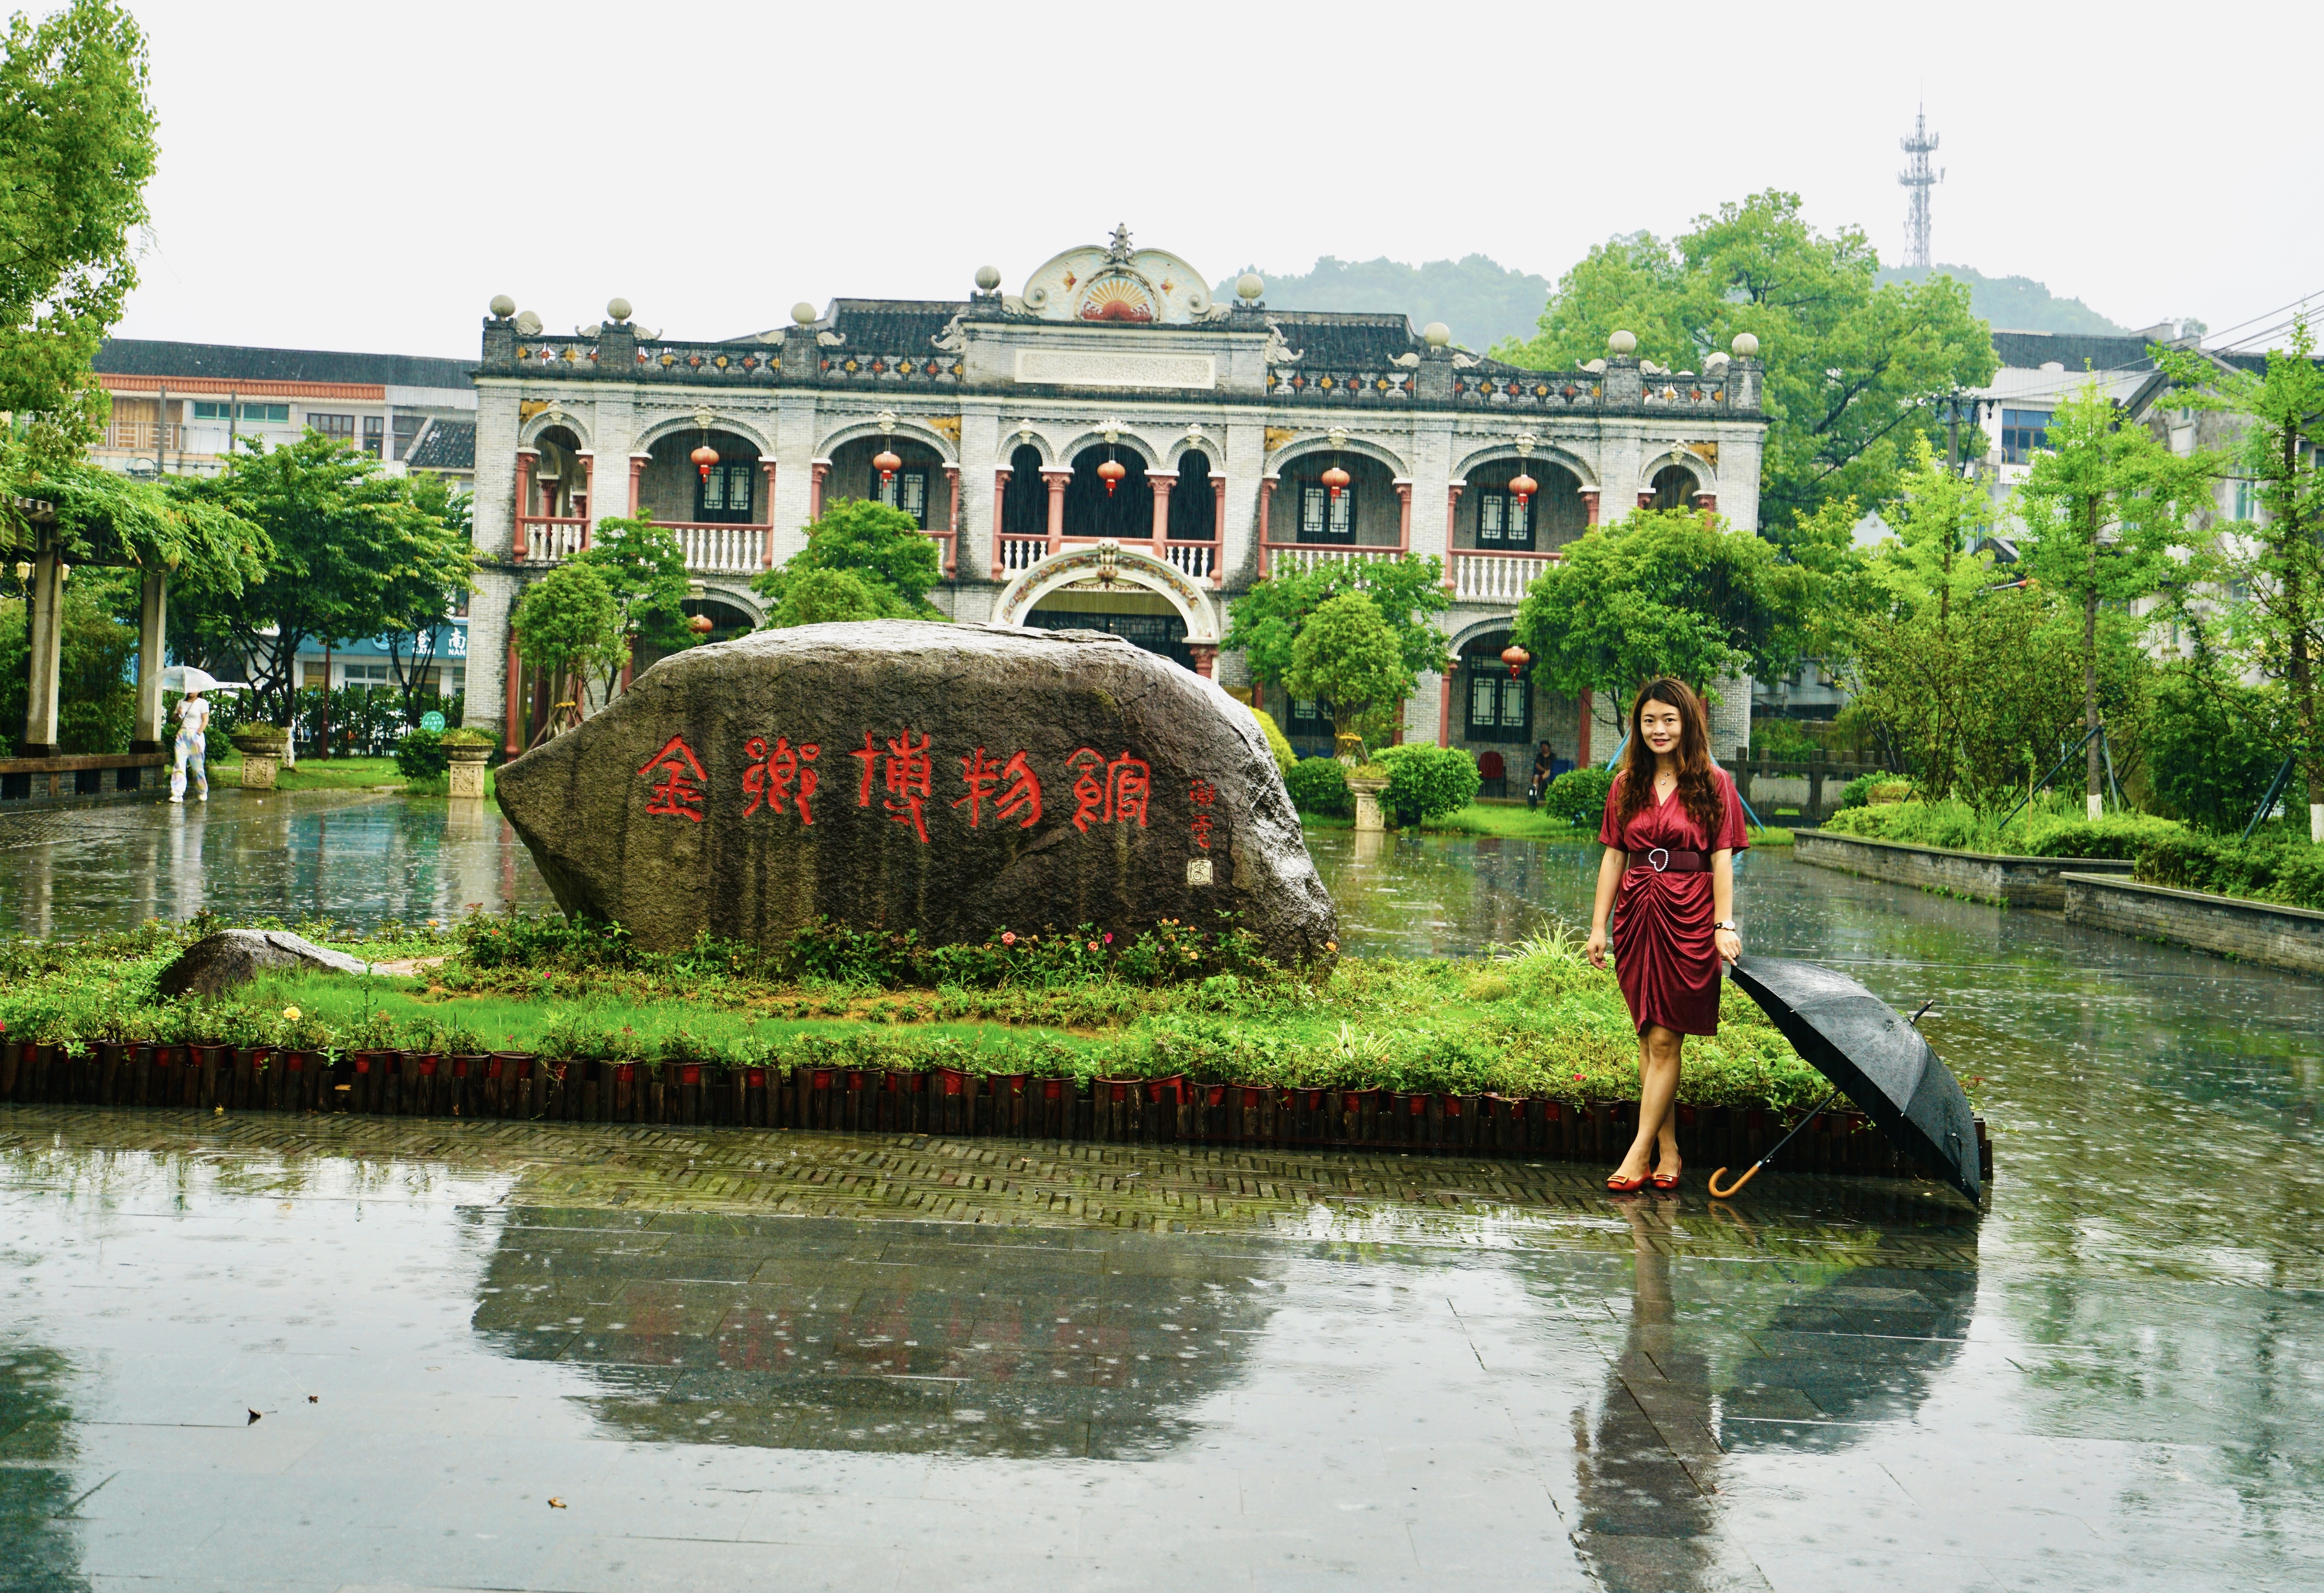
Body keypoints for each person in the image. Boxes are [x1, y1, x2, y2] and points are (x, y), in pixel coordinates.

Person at [1585, 678, 1747, 1192]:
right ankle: (1670, 1150)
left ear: (1688, 724)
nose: (1659, 730)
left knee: (1664, 1037)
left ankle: (1638, 1152)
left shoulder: (1713, 782)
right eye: (1650, 720)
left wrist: (1724, 923)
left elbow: (1721, 857)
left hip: (1691, 911)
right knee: (1649, 1035)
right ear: (1639, 725)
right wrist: (1598, 927)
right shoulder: (1626, 784)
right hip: (1637, 912)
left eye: (1669, 720)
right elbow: (1613, 855)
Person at [169, 689, 210, 804]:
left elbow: (205, 721)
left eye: (195, 688)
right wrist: (178, 714)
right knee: (179, 764)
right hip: (182, 735)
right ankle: (177, 794)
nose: (191, 691)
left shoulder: (202, 703)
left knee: (197, 767)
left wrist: (198, 734)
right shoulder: (181, 702)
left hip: (196, 734)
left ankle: (202, 791)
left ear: (199, 691)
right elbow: (174, 720)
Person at [1526, 740, 1556, 808]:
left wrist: (1547, 771)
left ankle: (1541, 778)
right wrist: (1544, 770)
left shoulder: (1553, 756)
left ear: (1548, 747)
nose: (1544, 748)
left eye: (1545, 746)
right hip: (1540, 772)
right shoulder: (1539, 756)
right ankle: (1534, 794)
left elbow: (1554, 766)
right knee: (1536, 778)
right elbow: (1537, 765)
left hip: (1550, 773)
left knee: (1548, 772)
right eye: (1542, 746)